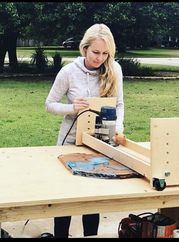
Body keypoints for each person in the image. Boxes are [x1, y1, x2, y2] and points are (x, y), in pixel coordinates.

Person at [45, 23, 126, 238]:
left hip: (100, 141)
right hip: (69, 142)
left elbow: (119, 105)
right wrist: (71, 108)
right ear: (84, 48)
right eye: (95, 52)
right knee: (66, 198)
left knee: (92, 196)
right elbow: (50, 104)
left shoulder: (114, 69)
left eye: (105, 53)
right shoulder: (69, 72)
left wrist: (118, 128)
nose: (99, 58)